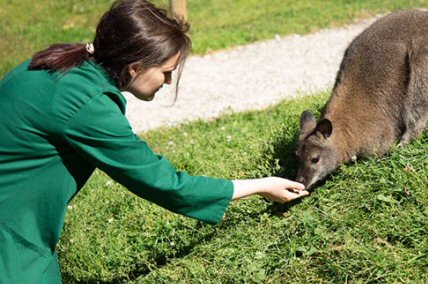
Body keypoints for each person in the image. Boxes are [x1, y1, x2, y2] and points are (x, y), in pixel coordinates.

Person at [0, 0, 308, 282]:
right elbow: (164, 184)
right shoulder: (87, 105)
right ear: (135, 67)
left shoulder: (56, 64)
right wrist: (262, 185)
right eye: (166, 72)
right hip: (11, 243)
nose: (170, 81)